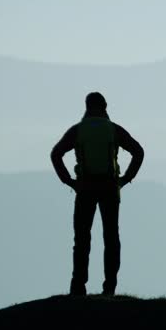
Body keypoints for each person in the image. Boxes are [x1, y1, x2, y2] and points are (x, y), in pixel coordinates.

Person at [50, 92, 145, 297]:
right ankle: (109, 288)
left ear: (86, 106)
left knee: (82, 239)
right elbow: (138, 151)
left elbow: (55, 154)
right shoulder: (113, 130)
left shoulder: (77, 131)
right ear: (105, 106)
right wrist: (125, 179)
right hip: (110, 189)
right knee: (111, 238)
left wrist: (69, 181)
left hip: (84, 189)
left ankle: (78, 287)